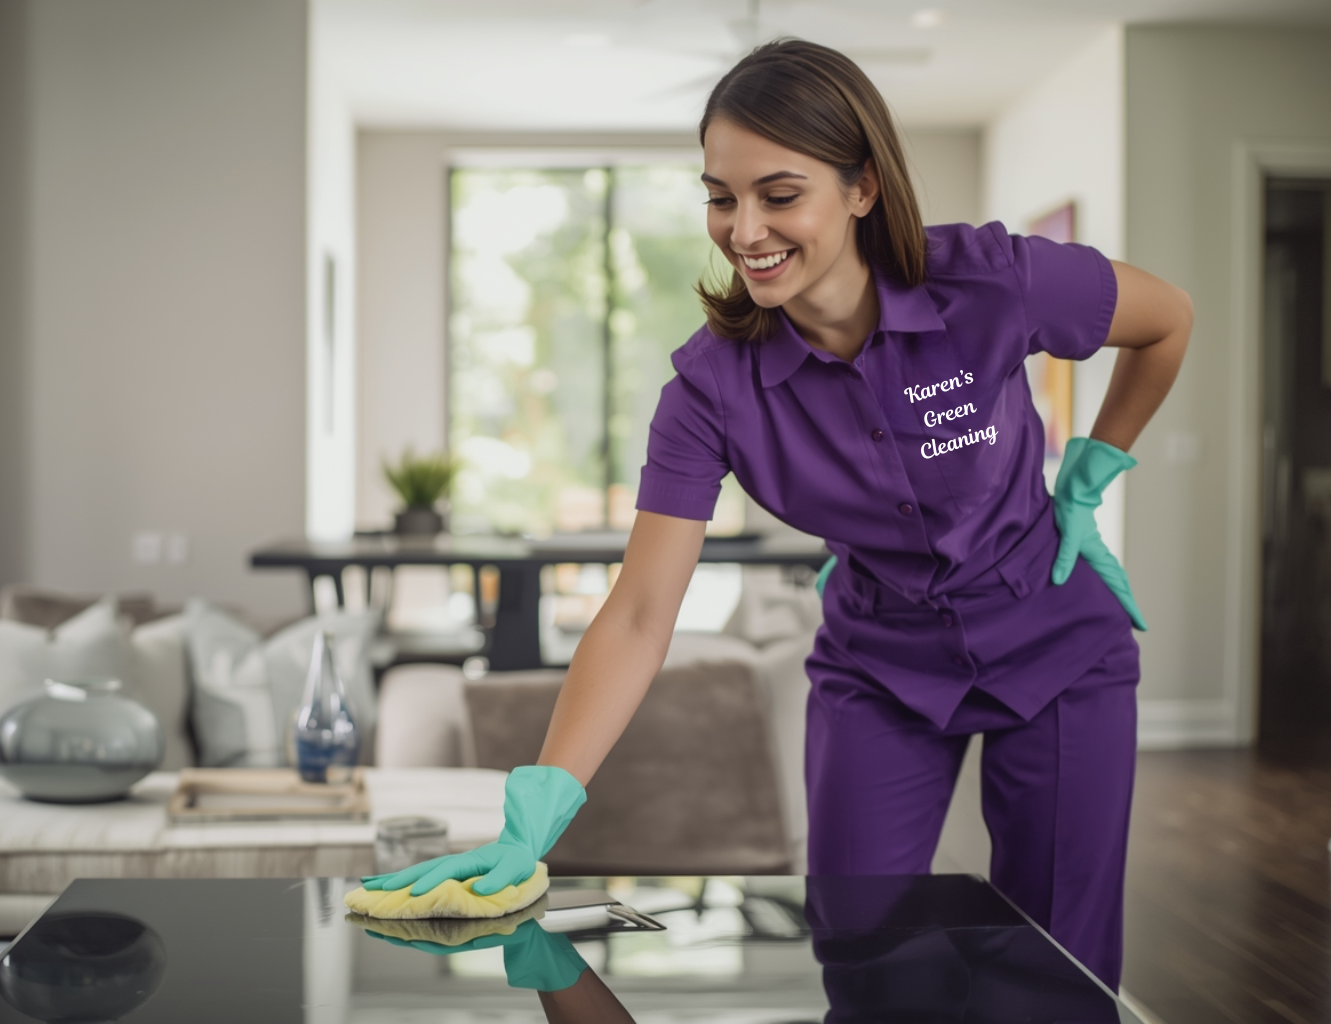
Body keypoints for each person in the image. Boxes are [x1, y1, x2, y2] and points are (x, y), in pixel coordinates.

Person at [362, 38, 1191, 991]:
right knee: (861, 949)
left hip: (1056, 644)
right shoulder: (709, 390)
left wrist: (1092, 468)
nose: (743, 227)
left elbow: (1167, 319)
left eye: (779, 193)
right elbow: (639, 612)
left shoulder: (990, 280)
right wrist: (540, 808)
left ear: (863, 188)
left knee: (1055, 966)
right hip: (880, 662)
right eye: (720, 196)